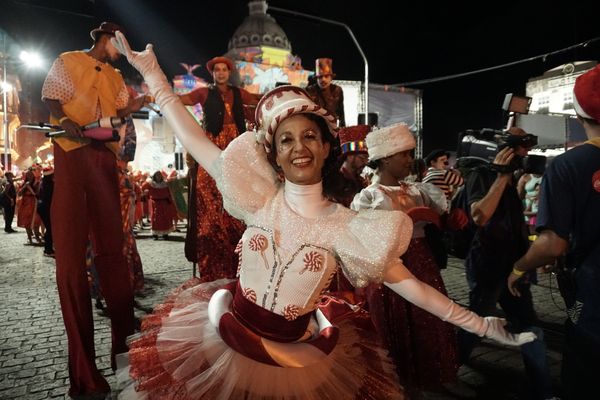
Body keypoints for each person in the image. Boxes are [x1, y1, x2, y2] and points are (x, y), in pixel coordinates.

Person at [112, 31, 535, 400]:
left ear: (328, 146)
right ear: (274, 153)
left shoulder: (348, 226)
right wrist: (153, 76)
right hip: (220, 345)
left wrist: (481, 324)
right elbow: (192, 134)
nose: (299, 148)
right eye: (286, 140)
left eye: (310, 136)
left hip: (300, 367)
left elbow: (415, 290)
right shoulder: (258, 196)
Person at [40, 21, 145, 398]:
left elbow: (118, 120)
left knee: (113, 255)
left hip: (103, 160)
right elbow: (52, 97)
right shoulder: (68, 61)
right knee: (70, 262)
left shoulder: (117, 77)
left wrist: (133, 106)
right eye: (119, 44)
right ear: (107, 40)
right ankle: (83, 373)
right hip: (70, 155)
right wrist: (65, 119)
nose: (122, 51)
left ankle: (125, 355)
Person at [508, 65, 600, 400]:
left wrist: (519, 268)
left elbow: (552, 244)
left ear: (578, 113)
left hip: (593, 300)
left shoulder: (567, 166)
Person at [351, 124, 463, 396]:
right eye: (404, 154)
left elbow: (441, 218)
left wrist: (452, 221)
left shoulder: (418, 191)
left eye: (410, 153)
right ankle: (398, 383)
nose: (410, 160)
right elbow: (360, 239)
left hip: (422, 264)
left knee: (428, 320)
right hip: (390, 266)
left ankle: (428, 377)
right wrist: (398, 225)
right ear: (386, 157)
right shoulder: (368, 197)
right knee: (396, 324)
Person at [457, 127, 556, 400]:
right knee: (476, 321)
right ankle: (450, 366)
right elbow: (479, 217)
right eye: (519, 146)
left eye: (526, 146)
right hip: (487, 263)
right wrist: (502, 176)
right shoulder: (481, 174)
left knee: (529, 327)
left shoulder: (513, 177)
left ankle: (543, 390)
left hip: (514, 267)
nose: (525, 153)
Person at [178, 55, 257, 282]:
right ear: (212, 73)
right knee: (208, 204)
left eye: (224, 69)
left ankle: (239, 264)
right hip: (210, 151)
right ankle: (212, 267)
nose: (221, 73)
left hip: (235, 152)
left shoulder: (238, 93)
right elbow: (182, 100)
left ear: (228, 72)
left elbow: (258, 99)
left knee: (236, 201)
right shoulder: (204, 93)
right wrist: (158, 95)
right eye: (217, 70)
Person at [335, 124, 370, 207]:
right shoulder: (335, 183)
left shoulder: (361, 181)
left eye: (367, 159)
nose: (365, 162)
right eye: (362, 158)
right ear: (350, 156)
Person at [305, 58, 346, 127]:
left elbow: (341, 112)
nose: (323, 79)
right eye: (320, 77)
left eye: (326, 76)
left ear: (331, 77)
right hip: (314, 128)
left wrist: (343, 129)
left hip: (332, 128)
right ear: (316, 79)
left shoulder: (337, 90)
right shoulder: (310, 91)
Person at [17, 168, 42, 245]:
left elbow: (38, 193)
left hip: (34, 204)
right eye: (28, 175)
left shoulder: (36, 183)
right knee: (27, 222)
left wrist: (33, 188)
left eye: (30, 174)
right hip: (26, 205)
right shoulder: (24, 183)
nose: (29, 176)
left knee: (36, 221)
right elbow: (19, 194)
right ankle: (29, 238)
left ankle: (37, 237)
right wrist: (25, 186)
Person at [37, 166, 55, 257]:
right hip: (46, 207)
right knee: (50, 228)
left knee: (49, 227)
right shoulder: (50, 184)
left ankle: (48, 248)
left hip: (41, 207)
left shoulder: (42, 182)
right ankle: (48, 250)